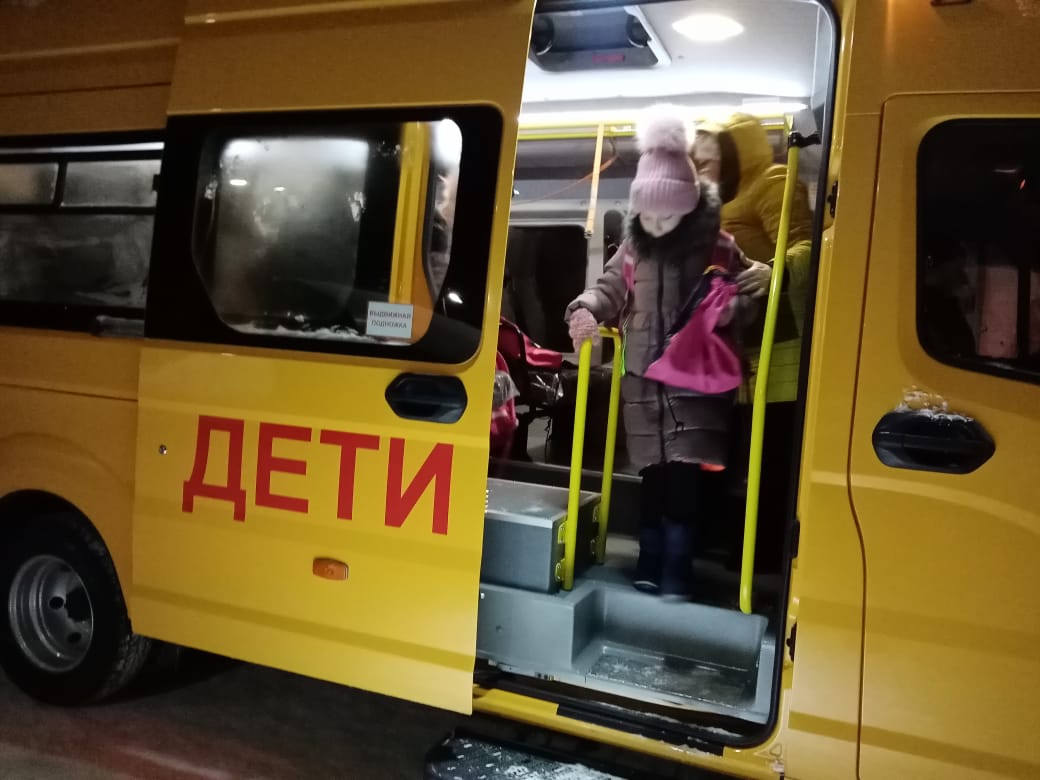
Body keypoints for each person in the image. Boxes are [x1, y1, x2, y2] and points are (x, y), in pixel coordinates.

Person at [564, 107, 752, 599]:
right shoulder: (633, 249)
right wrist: (584, 309)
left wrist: (736, 308)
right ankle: (649, 564)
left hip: (695, 385)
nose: (657, 221)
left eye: (667, 212)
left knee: (684, 485)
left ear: (689, 206)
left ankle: (677, 570)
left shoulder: (720, 246)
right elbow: (608, 290)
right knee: (651, 480)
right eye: (648, 213)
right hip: (644, 386)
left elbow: (748, 291)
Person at [691, 113, 815, 572]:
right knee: (724, 453)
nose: (700, 169)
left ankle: (760, 563)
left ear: (734, 155)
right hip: (731, 346)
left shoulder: (773, 182)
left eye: (708, 160)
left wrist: (773, 271)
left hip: (775, 345)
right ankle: (716, 546)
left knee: (770, 457)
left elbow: (809, 246)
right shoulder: (713, 201)